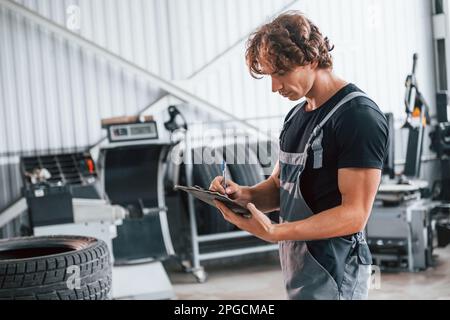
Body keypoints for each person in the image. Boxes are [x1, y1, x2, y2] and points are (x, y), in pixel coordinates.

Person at [209, 11, 389, 300]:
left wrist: (275, 231)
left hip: (337, 271)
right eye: (270, 76)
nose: (274, 87)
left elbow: (355, 214)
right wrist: (242, 195)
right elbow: (281, 189)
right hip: (300, 267)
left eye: (281, 73)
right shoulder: (295, 117)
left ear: (312, 58)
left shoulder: (357, 117)